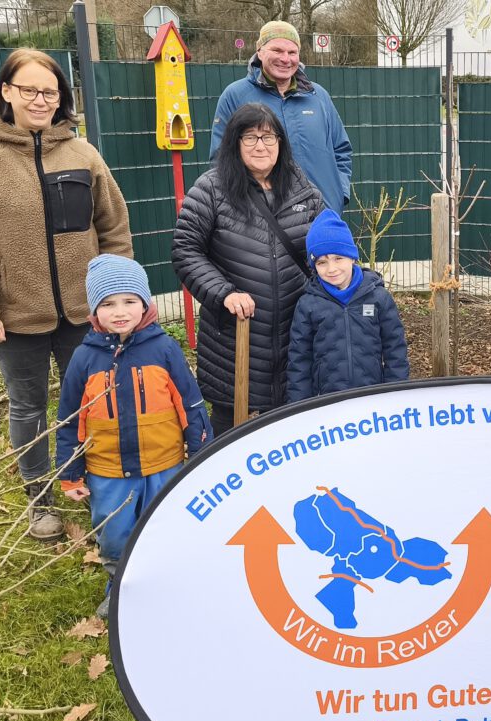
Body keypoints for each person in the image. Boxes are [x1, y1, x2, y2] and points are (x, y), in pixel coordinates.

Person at [0, 48, 132, 541]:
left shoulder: (82, 154)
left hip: (82, 314)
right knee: (27, 408)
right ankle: (39, 499)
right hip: (15, 317)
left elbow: (113, 228)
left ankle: (95, 483)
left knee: (92, 402)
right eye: (28, 89)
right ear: (7, 92)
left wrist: (114, 297)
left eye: (49, 91)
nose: (40, 99)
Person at [55, 255, 212, 618]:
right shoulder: (84, 359)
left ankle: (168, 582)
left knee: (166, 525)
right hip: (107, 470)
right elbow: (69, 420)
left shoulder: (164, 350)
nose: (120, 311)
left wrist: (201, 452)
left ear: (145, 303)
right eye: (108, 304)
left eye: (129, 301)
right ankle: (121, 584)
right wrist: (70, 473)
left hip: (165, 463)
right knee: (114, 532)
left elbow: (191, 404)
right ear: (95, 310)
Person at [173, 103, 323, 435]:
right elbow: (185, 251)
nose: (260, 145)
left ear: (280, 143)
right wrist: (223, 292)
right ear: (234, 143)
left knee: (289, 430)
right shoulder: (211, 189)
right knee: (228, 432)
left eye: (268, 137)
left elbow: (328, 244)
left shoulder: (302, 187)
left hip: (292, 335)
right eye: (250, 137)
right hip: (234, 338)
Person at [210, 20, 351, 215]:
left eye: (292, 52)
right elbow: (221, 158)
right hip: (264, 221)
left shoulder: (318, 97)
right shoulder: (235, 96)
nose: (286, 59)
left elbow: (341, 150)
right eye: (277, 50)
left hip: (323, 216)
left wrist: (339, 195)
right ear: (260, 52)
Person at [287, 210, 409, 402]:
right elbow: (299, 360)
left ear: (352, 257)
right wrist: (298, 407)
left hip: (372, 397)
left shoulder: (378, 297)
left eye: (338, 258)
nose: (332, 269)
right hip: (327, 402)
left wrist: (396, 394)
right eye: (322, 262)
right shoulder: (308, 304)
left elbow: (395, 350)